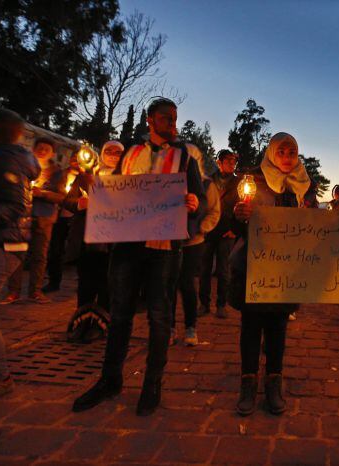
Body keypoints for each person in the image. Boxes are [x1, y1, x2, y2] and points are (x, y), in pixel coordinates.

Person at [72, 97, 207, 416]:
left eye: (175, 118)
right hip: (127, 246)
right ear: (150, 120)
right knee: (120, 313)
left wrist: (192, 203)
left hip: (164, 247)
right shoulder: (130, 151)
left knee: (159, 316)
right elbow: (115, 190)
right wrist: (97, 192)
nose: (172, 123)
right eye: (165, 118)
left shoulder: (185, 156)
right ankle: (110, 379)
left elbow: (198, 196)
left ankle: (152, 384)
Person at [228, 132, 318, 417]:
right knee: (252, 326)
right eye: (282, 152)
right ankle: (248, 382)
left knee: (278, 327)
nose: (287, 158)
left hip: (287, 270)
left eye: (292, 152)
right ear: (270, 153)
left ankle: (273, 382)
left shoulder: (305, 186)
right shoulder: (253, 180)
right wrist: (240, 215)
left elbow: (314, 228)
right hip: (256, 266)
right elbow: (238, 225)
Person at [0, 108, 40, 404]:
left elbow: (13, 204)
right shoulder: (8, 156)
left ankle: (0, 376)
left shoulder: (1, 157)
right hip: (5, 242)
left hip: (1, 243)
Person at [1, 138, 65, 304]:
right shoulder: (22, 167)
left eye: (47, 148)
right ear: (33, 149)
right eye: (40, 147)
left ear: (52, 153)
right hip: (21, 216)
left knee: (39, 255)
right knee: (17, 253)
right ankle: (13, 291)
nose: (43, 151)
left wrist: (42, 194)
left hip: (44, 217)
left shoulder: (58, 172)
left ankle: (35, 291)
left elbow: (61, 197)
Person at [63, 140, 124, 310]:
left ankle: (102, 320)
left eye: (117, 152)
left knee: (109, 283)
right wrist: (81, 204)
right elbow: (67, 201)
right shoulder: (86, 177)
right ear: (102, 153)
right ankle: (83, 318)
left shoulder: (129, 179)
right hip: (88, 240)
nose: (112, 155)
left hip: (115, 241)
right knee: (86, 283)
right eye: (109, 151)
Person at [170, 168, 220, 346]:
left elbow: (214, 210)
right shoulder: (169, 180)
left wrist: (201, 228)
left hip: (193, 242)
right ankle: (170, 327)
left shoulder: (206, 184)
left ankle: (191, 327)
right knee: (169, 283)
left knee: (186, 283)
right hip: (169, 240)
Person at [200, 149, 240, 319]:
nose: (232, 164)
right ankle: (203, 304)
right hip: (209, 231)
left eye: (233, 161)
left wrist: (235, 229)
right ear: (219, 162)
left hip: (227, 230)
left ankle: (221, 304)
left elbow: (244, 205)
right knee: (204, 270)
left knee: (224, 270)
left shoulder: (239, 183)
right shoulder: (208, 180)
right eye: (228, 161)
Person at [43, 156, 81, 293]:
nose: (76, 162)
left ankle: (80, 282)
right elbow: (50, 189)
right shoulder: (60, 174)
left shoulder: (88, 177)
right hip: (60, 216)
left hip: (78, 219)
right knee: (56, 250)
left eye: (79, 159)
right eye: (74, 159)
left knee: (78, 251)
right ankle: (54, 282)